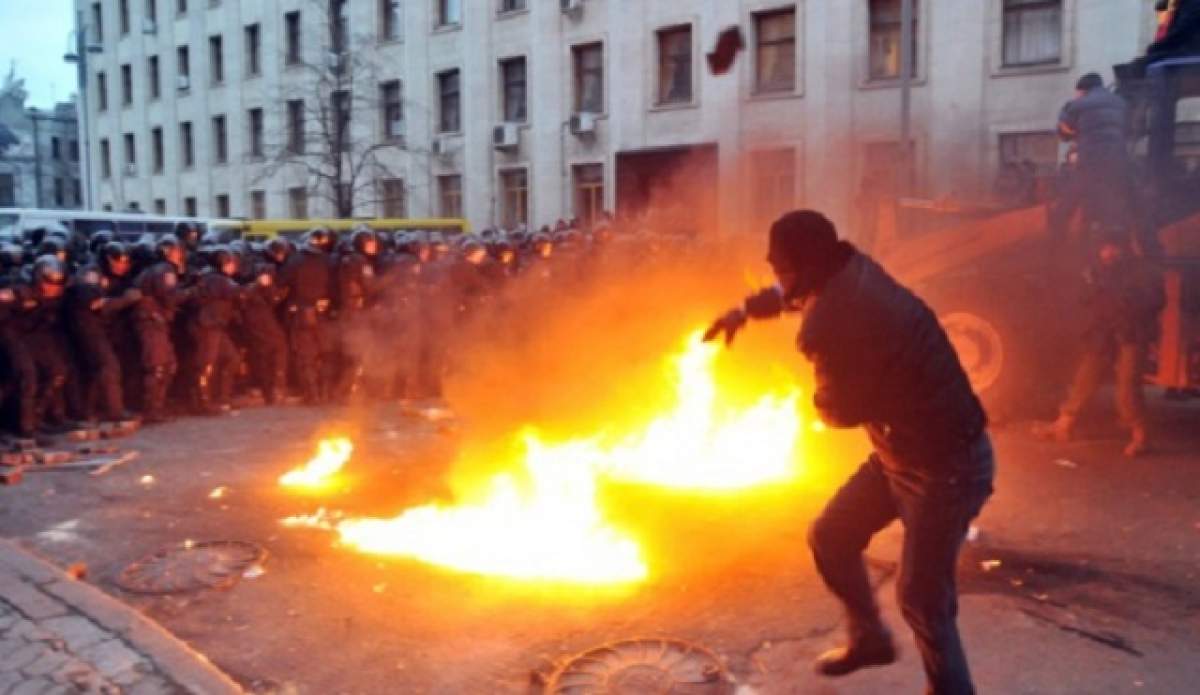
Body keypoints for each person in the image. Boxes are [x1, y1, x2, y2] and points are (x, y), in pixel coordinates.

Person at [704, 210, 994, 695]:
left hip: (948, 467)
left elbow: (839, 413)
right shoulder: (848, 270)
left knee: (923, 599)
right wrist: (745, 309)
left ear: (810, 264)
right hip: (900, 455)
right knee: (832, 536)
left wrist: (816, 396)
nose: (777, 278)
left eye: (782, 268)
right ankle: (870, 638)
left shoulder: (833, 319)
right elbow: (791, 293)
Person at [1033, 239, 1165, 457]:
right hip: (1106, 332)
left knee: (1127, 386)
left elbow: (1155, 301)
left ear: (1124, 248)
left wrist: (1127, 306)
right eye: (1104, 248)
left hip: (1132, 333)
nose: (1108, 253)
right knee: (1087, 375)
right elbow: (1086, 299)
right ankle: (1064, 425)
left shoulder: (1142, 272)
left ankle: (1141, 436)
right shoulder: (1097, 270)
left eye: (1113, 247)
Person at [1057, 73, 1135, 244]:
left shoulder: (1077, 104)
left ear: (1082, 90)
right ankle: (1147, 248)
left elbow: (1063, 131)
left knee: (1067, 206)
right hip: (1119, 163)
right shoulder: (1121, 102)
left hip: (1090, 163)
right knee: (1131, 205)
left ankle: (1057, 248)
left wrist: (1075, 132)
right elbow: (1129, 131)